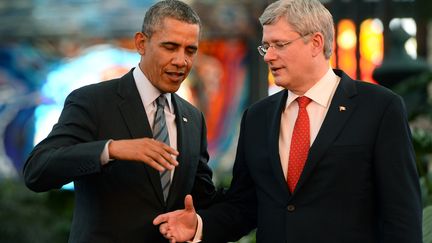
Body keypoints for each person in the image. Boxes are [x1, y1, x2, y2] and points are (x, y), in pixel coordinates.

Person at [153, 0, 423, 242]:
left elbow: (401, 213)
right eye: (266, 46)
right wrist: (199, 225)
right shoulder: (257, 117)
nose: (269, 56)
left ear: (316, 43)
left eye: (279, 45)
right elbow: (244, 206)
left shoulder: (379, 107)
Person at [23, 0, 220, 242]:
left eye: (190, 50)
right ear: (141, 43)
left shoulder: (193, 118)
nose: (181, 61)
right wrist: (111, 149)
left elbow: (203, 197)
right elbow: (37, 171)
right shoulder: (92, 101)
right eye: (170, 47)